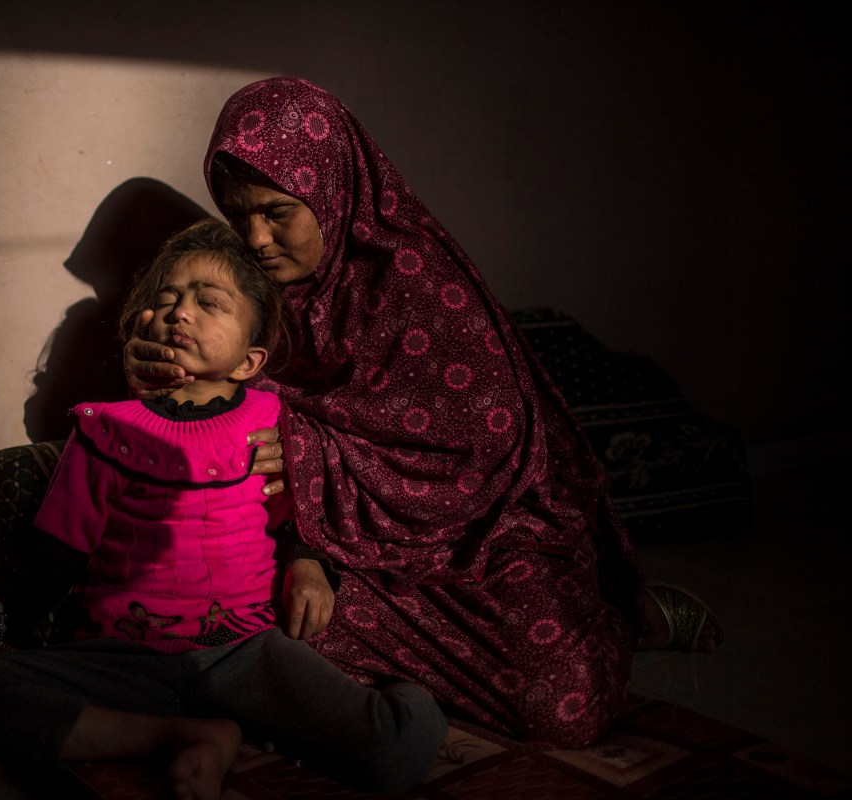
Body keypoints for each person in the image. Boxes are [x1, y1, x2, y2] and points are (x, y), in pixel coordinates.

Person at [125, 77, 722, 749]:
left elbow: (478, 452)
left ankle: (624, 617)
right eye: (239, 217)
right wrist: (304, 553)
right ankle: (396, 679)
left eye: (276, 212)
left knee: (562, 710)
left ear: (330, 190)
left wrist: (310, 453)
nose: (256, 239)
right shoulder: (250, 291)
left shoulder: (417, 285)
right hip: (342, 545)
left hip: (491, 533)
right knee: (251, 622)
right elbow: (225, 417)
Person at [0, 219, 448, 800]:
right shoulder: (105, 431)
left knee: (398, 745)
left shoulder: (277, 427)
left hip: (248, 654)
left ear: (249, 361)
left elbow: (301, 523)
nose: (180, 312)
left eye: (209, 303)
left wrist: (309, 562)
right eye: (167, 299)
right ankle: (177, 736)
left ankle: (397, 688)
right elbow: (46, 564)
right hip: (123, 660)